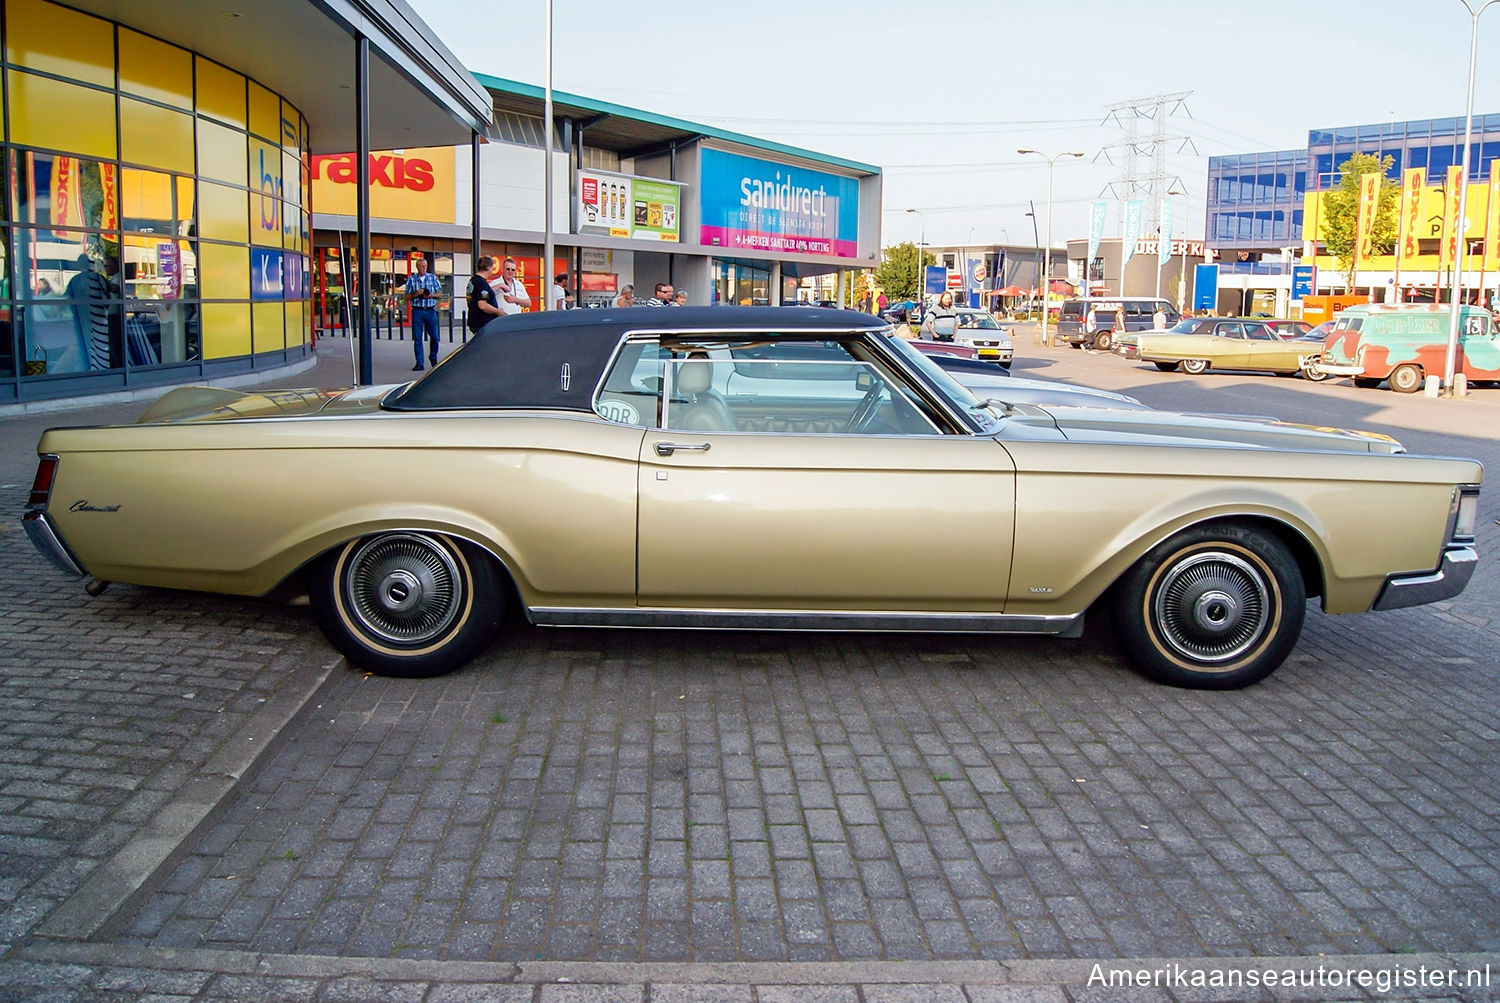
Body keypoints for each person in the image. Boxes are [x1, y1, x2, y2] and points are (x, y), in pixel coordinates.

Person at [66, 253, 115, 370]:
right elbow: (109, 297)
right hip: (100, 318)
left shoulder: (75, 280)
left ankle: (87, 367)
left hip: (82, 318)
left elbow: (68, 300)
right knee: (101, 344)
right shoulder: (99, 278)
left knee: (85, 343)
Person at [403, 255, 442, 371]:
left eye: (425, 266)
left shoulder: (432, 278)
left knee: (435, 336)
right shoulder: (411, 279)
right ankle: (419, 362)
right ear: (417, 267)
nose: (424, 268)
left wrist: (431, 295)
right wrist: (416, 293)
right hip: (418, 310)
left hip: (430, 310)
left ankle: (433, 356)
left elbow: (439, 293)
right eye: (422, 267)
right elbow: (406, 297)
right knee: (418, 337)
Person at [464, 256, 504, 335]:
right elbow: (482, 305)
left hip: (475, 320)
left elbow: (484, 293)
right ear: (488, 268)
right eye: (492, 267)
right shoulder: (481, 283)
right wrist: (498, 311)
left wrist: (499, 286)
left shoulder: (474, 280)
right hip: (483, 323)